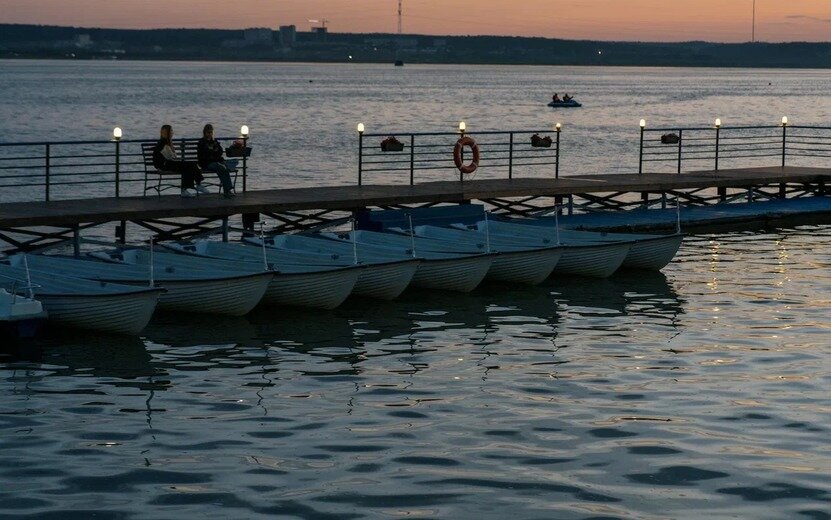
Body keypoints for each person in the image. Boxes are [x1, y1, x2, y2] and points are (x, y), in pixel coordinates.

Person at [152, 125, 206, 198]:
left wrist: (170, 143)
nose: (172, 132)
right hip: (164, 165)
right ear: (167, 133)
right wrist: (171, 143)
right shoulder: (163, 143)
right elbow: (172, 156)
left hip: (167, 163)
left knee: (188, 166)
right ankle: (197, 184)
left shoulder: (165, 142)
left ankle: (187, 189)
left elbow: (172, 156)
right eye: (171, 131)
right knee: (190, 165)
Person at [197, 124, 237, 198]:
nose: (210, 134)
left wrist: (213, 151)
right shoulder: (202, 142)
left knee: (223, 168)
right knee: (221, 167)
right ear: (204, 133)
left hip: (216, 162)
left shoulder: (214, 141)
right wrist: (213, 152)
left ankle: (227, 191)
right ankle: (227, 190)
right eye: (208, 132)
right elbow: (204, 155)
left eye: (211, 132)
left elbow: (220, 151)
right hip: (206, 163)